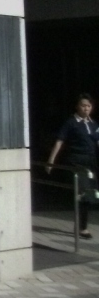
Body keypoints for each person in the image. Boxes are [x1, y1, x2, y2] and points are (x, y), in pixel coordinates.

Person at [46, 94, 99, 239]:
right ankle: (82, 228)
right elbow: (59, 141)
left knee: (90, 195)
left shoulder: (94, 124)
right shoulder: (71, 123)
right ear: (77, 106)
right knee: (83, 193)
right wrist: (51, 161)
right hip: (76, 162)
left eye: (88, 106)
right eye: (83, 105)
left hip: (91, 162)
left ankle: (81, 225)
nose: (86, 108)